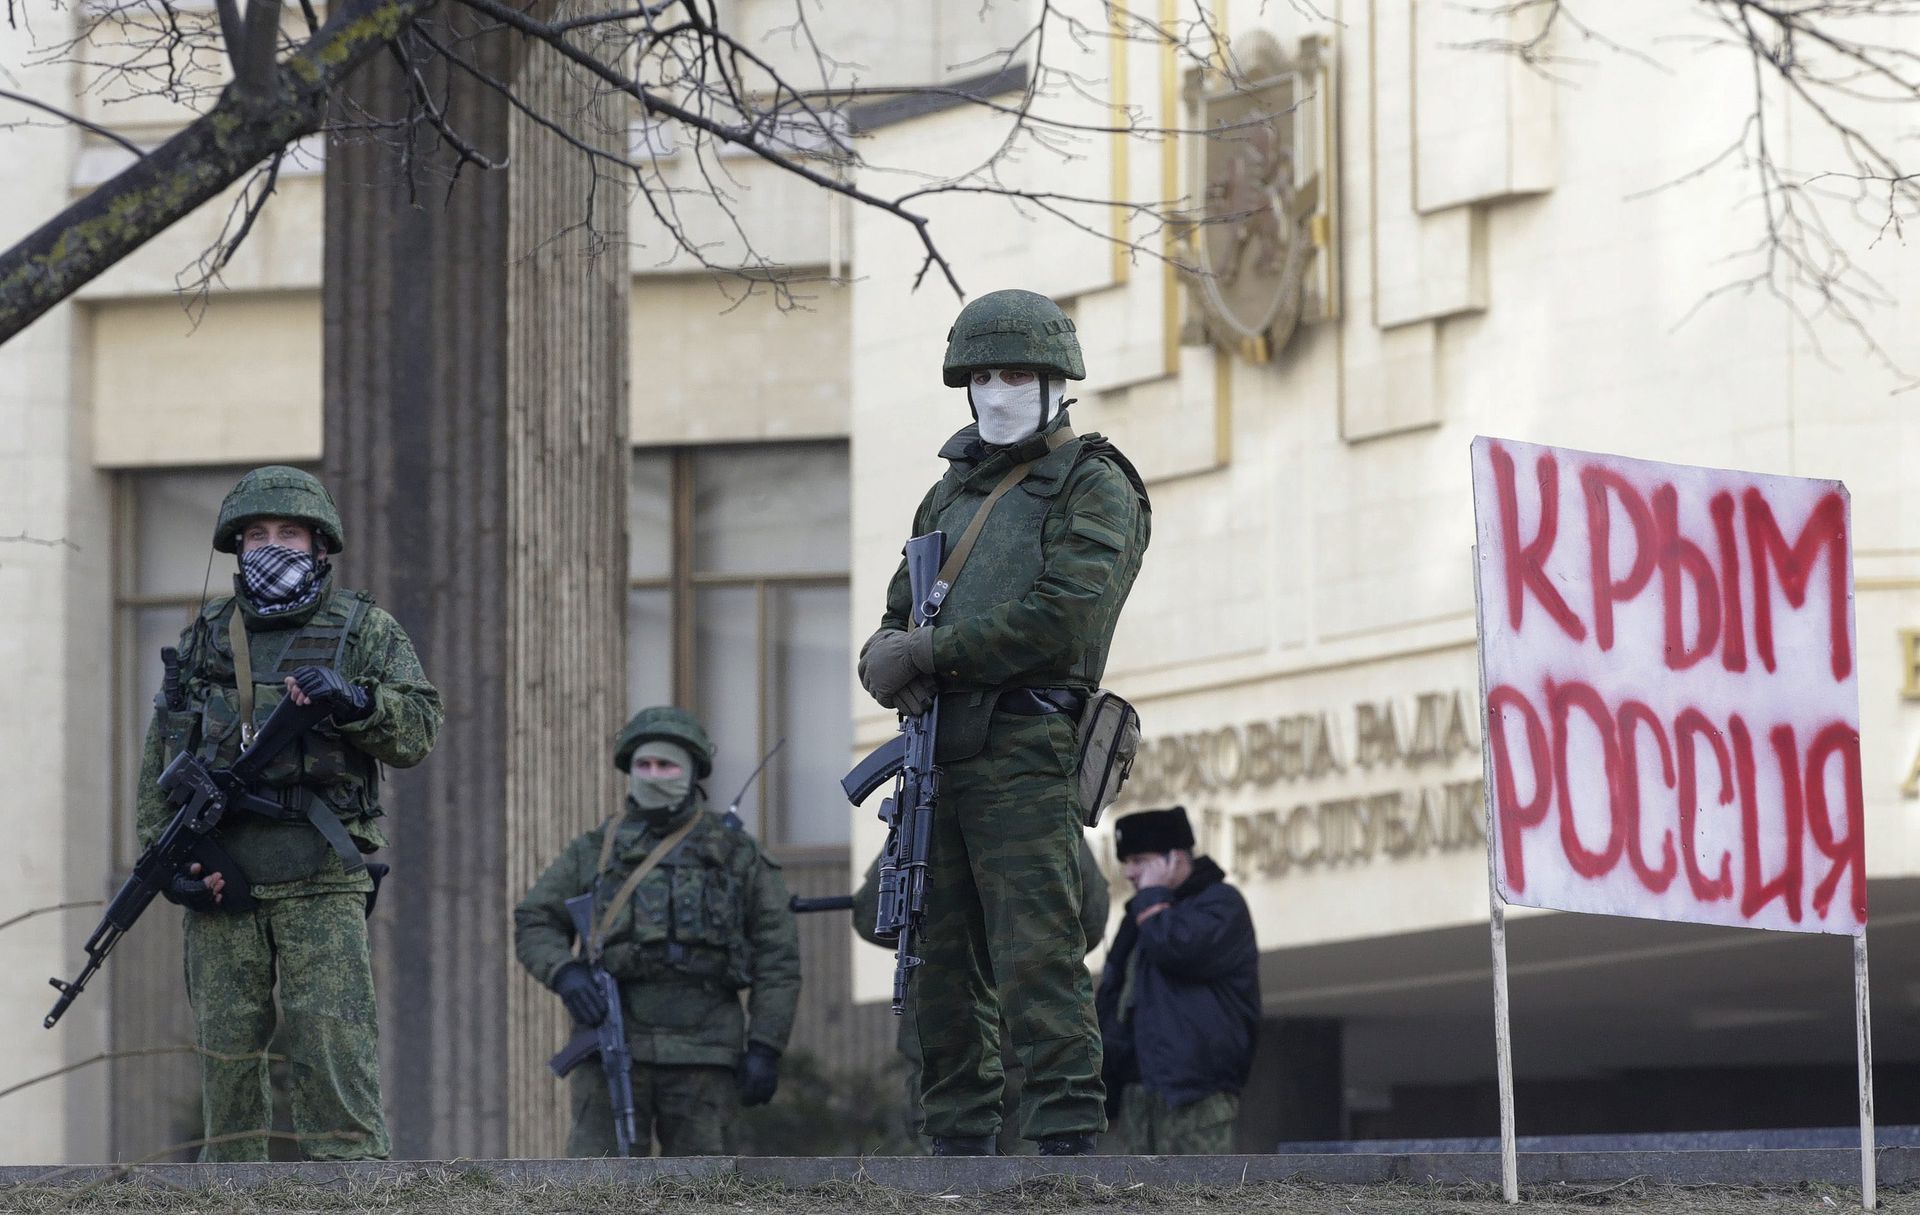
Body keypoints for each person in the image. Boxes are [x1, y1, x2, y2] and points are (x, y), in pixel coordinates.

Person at [855, 288, 1152, 1156]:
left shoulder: (1094, 482)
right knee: (937, 958)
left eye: (1016, 372)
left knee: (1036, 951)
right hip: (938, 748)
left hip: (1027, 744)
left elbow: (1064, 617)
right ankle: (955, 1139)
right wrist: (885, 651)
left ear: (1057, 380)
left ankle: (1063, 1138)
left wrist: (930, 655)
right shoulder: (945, 496)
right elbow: (900, 611)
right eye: (981, 375)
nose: (997, 390)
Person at [135, 465, 443, 1162]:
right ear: (236, 548)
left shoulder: (365, 629)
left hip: (320, 872)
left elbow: (420, 729)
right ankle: (232, 1199)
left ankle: (353, 1192)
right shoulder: (205, 638)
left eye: (290, 533)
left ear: (319, 545)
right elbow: (160, 758)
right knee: (227, 1048)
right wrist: (165, 865)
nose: (273, 546)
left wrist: (359, 702)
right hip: (223, 878)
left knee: (330, 1039)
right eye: (257, 535)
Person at [513, 706, 801, 1156]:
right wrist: (565, 972)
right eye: (643, 765)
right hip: (611, 1042)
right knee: (596, 1189)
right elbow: (535, 919)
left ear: (690, 773)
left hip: (704, 1053)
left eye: (665, 765)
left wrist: (765, 1045)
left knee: (705, 1193)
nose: (652, 775)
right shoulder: (596, 850)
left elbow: (777, 958)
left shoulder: (736, 855)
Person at [852, 837, 1111, 1154]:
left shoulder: (925, 818)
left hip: (949, 1036)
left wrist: (938, 932)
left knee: (950, 1176)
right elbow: (1092, 920)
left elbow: (870, 915)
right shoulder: (1040, 811)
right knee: (1032, 1177)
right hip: (1024, 1030)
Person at [1096, 806, 1260, 1155]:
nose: (1129, 873)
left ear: (1174, 858)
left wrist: (1153, 900)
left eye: (1139, 860)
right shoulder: (1140, 918)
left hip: (1196, 1098)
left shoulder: (1221, 905)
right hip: (1137, 1099)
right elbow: (1112, 1001)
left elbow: (1177, 948)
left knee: (1200, 1203)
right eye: (1126, 862)